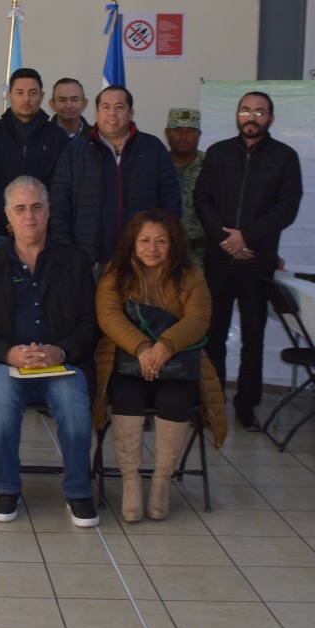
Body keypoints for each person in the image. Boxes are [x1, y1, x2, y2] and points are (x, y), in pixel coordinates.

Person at [0, 176, 100, 526]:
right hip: (6, 364)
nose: (30, 216)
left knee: (73, 403)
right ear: (7, 215)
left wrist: (62, 351)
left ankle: (78, 491)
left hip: (62, 364)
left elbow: (90, 322)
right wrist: (8, 353)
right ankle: (7, 487)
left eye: (37, 207)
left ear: (49, 212)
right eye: (20, 209)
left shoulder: (75, 262)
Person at [94, 211, 227, 522]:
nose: (152, 248)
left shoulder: (191, 275)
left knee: (175, 401)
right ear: (132, 243)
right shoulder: (115, 273)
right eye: (144, 240)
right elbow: (108, 315)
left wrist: (165, 346)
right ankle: (131, 482)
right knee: (126, 398)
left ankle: (161, 482)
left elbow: (199, 319)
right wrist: (142, 348)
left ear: (173, 244)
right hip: (127, 361)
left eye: (161, 241)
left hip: (176, 362)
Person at [192, 91, 303, 431]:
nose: (251, 117)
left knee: (254, 336)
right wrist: (226, 239)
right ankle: (211, 404)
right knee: (213, 333)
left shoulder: (285, 157)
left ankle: (246, 405)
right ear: (237, 115)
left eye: (259, 112)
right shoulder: (218, 153)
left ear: (271, 118)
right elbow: (202, 198)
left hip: (258, 260)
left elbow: (287, 207)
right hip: (219, 258)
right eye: (245, 110)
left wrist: (247, 237)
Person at [51, 85, 180, 272]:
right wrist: (69, 252)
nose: (112, 113)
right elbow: (59, 205)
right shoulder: (75, 151)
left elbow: (171, 203)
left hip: (142, 261)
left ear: (131, 112)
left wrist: (160, 248)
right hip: (88, 262)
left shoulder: (153, 148)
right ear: (96, 112)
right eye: (106, 107)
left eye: (119, 107)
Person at [0, 68, 71, 249]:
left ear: (42, 96)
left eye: (32, 93)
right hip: (3, 230)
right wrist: (12, 218)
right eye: (20, 93)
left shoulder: (57, 136)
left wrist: (37, 219)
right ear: (9, 95)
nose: (26, 99)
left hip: (44, 231)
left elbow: (61, 185)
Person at [164, 108, 207, 266]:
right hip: (162, 255)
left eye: (190, 131)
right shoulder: (157, 164)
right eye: (177, 130)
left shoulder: (211, 166)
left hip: (201, 256)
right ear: (167, 133)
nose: (183, 136)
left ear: (199, 134)